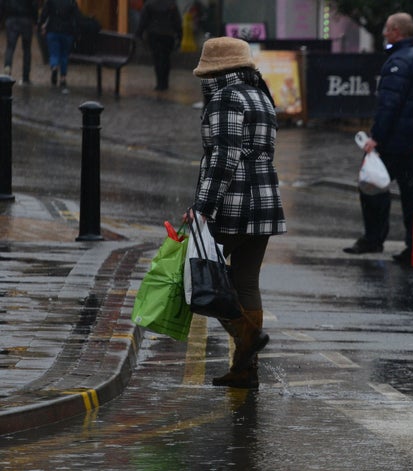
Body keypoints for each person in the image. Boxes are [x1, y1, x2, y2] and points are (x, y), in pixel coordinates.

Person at [189, 37, 286, 389]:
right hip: (264, 200)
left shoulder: (225, 97)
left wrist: (202, 208)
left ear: (214, 71)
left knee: (199, 279)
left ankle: (246, 339)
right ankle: (245, 369)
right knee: (245, 282)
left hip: (233, 203)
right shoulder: (261, 95)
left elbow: (224, 158)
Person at [343, 12, 413, 265]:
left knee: (371, 188)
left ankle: (373, 239)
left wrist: (376, 138)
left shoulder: (398, 62)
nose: (384, 33)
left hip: (394, 142)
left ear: (396, 31)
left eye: (387, 29)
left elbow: (389, 104)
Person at [135, 0, 181, 91]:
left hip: (153, 35)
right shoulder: (171, 4)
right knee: (166, 58)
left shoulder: (150, 4)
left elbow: (143, 20)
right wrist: (180, 35)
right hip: (168, 35)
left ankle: (159, 83)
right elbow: (177, 21)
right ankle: (165, 83)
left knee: (157, 59)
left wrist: (139, 33)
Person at [39, 0, 78, 92]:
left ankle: (54, 66)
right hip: (67, 31)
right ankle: (63, 78)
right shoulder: (71, 2)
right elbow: (76, 17)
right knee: (64, 55)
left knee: (54, 53)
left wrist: (41, 24)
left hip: (53, 29)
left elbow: (44, 13)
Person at [1, 0, 38, 85]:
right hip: (26, 21)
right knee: (27, 50)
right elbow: (34, 4)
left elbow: (2, 4)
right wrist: (35, 21)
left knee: (10, 48)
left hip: (11, 20)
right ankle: (25, 77)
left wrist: (2, 19)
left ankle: (7, 72)